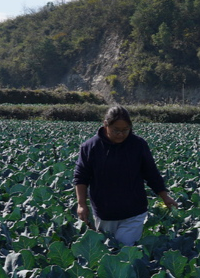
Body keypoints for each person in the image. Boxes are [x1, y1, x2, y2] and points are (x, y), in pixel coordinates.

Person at [74, 105, 177, 245]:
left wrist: (165, 196)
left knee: (125, 251)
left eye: (125, 130)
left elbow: (151, 172)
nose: (121, 134)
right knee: (109, 254)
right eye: (116, 130)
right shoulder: (90, 147)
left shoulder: (138, 145)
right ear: (105, 125)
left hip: (134, 211)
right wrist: (81, 204)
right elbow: (81, 177)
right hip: (105, 213)